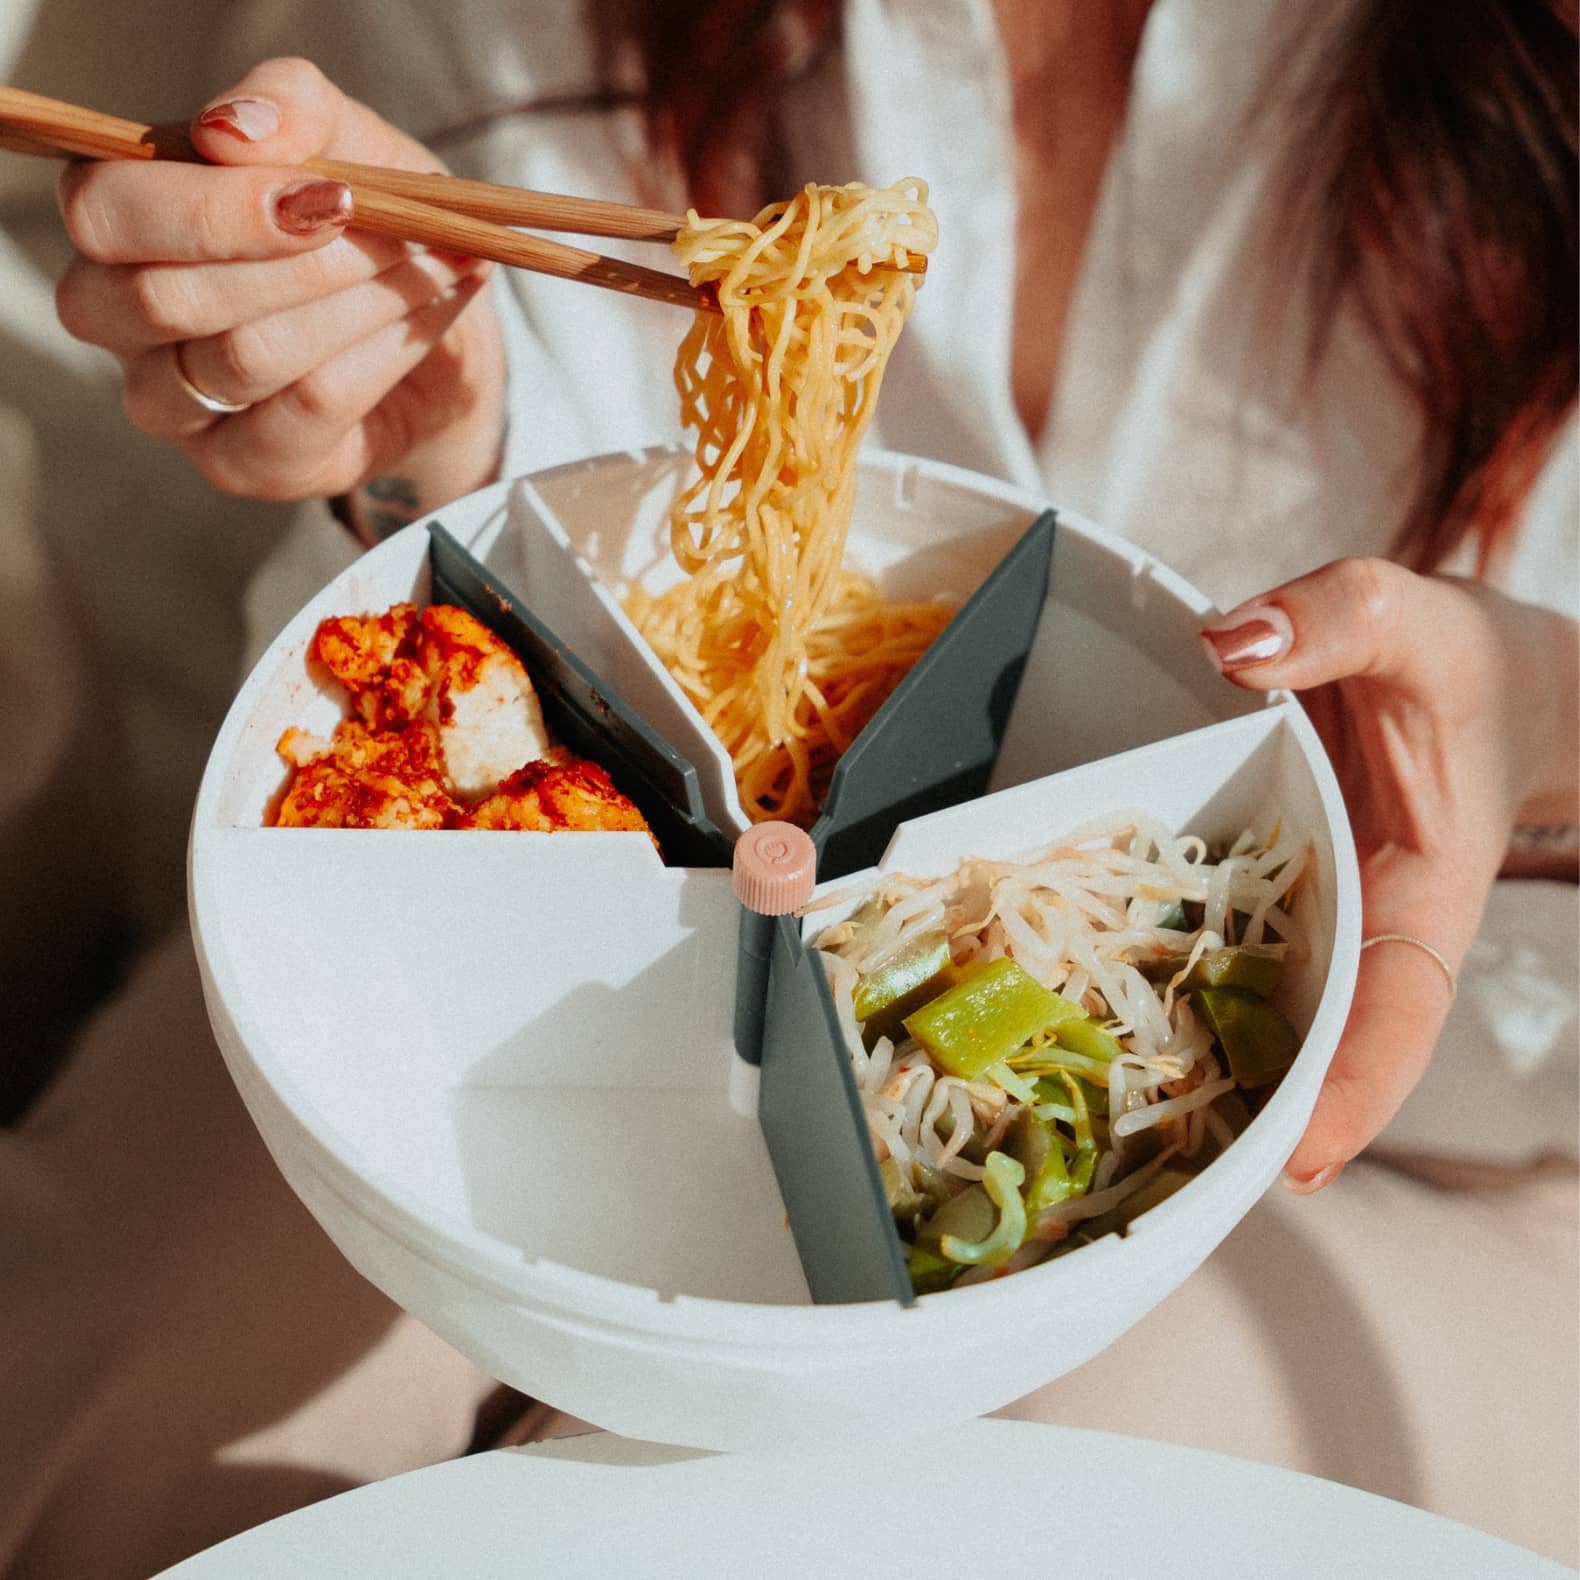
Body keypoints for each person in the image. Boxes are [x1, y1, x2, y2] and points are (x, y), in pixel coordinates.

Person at [1, 1, 1575, 1572]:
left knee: (861, 1526)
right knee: (109, 1424)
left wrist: (1552, 725)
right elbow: (519, 530)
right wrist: (419, 419)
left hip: (1428, 1145)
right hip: (534, 959)